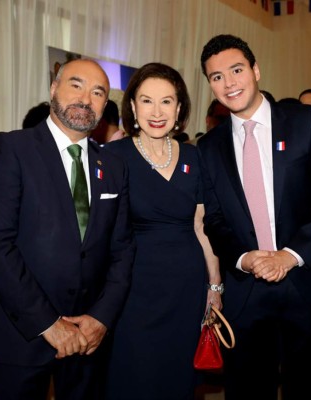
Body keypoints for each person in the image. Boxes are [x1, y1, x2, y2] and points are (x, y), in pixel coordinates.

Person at [0, 59, 135, 399]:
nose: (85, 98)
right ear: (53, 89)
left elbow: (122, 249)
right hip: (22, 332)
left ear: (105, 105)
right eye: (76, 85)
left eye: (98, 92)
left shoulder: (114, 166)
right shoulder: (11, 148)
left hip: (89, 338)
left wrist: (100, 318)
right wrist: (49, 324)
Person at [197, 34, 311, 400]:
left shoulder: (306, 122)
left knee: (304, 387)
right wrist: (244, 258)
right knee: (245, 390)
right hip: (246, 290)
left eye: (237, 70)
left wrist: (289, 255)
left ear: (255, 70)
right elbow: (215, 219)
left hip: (305, 280)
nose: (229, 83)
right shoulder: (209, 147)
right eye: (217, 77)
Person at [104, 62, 221, 400]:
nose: (157, 111)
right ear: (133, 108)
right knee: (133, 375)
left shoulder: (194, 157)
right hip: (132, 288)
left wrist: (214, 286)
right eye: (147, 101)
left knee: (178, 377)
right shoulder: (113, 157)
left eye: (166, 101)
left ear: (179, 108)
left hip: (187, 286)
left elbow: (202, 226)